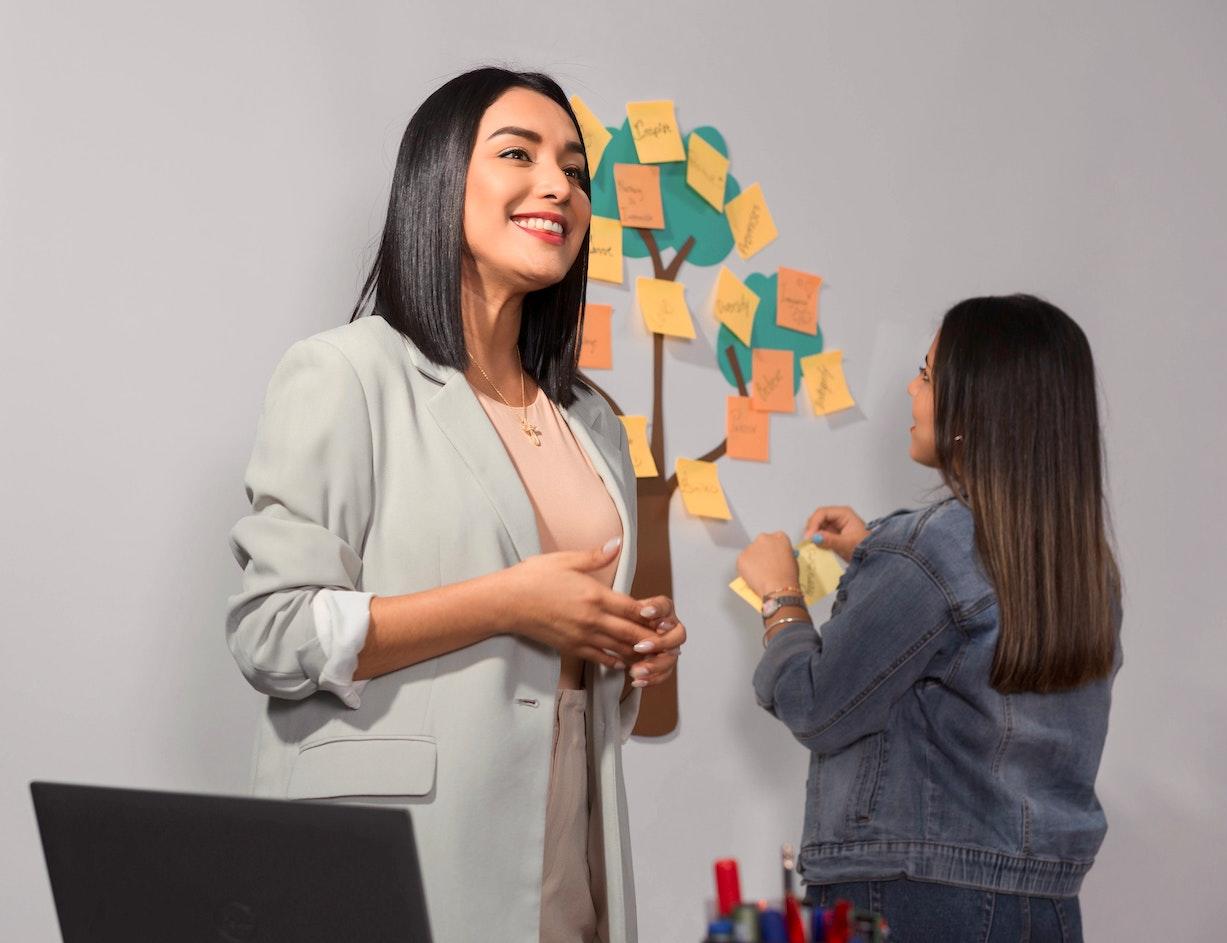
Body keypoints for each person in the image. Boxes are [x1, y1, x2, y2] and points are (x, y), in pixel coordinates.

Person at [225, 67, 685, 943]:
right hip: (399, 868)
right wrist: (510, 602)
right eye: (520, 154)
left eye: (576, 170)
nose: (558, 184)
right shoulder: (347, 373)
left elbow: (570, 676)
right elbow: (272, 631)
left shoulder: (593, 422)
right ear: (439, 180)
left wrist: (630, 644)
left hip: (566, 869)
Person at [737, 295, 1120, 942]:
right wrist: (873, 555)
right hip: (1046, 906)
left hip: (911, 900)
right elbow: (980, 642)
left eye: (925, 374)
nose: (911, 392)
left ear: (976, 403)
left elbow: (815, 703)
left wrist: (780, 596)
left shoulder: (927, 553)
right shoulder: (1079, 565)